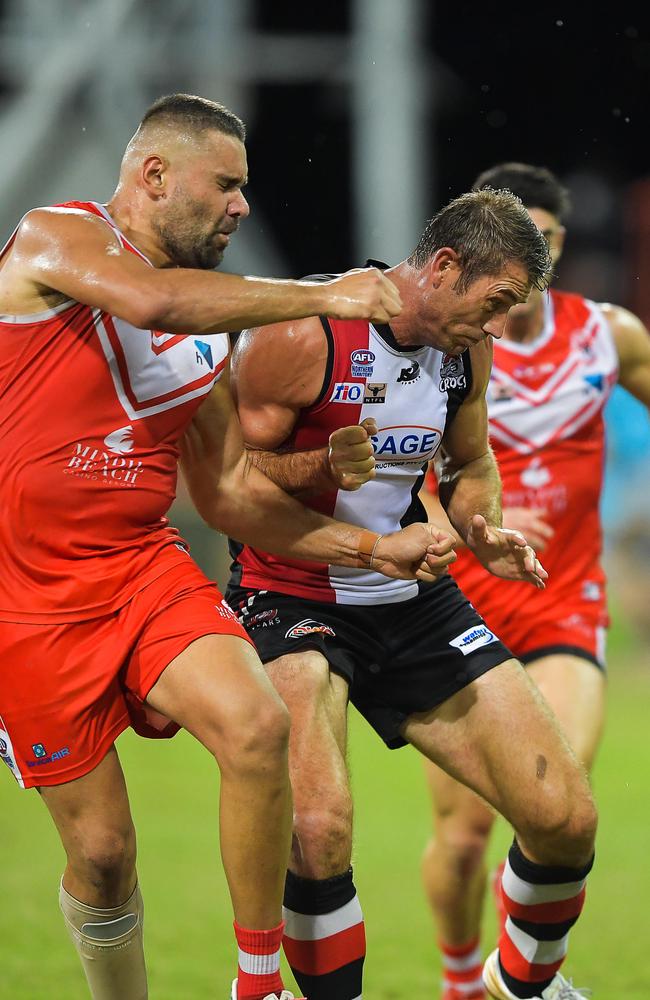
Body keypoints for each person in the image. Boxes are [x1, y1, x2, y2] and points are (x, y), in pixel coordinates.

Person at [0, 92, 451, 1000]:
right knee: (102, 857)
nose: (244, 206)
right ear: (154, 175)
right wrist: (329, 293)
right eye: (229, 185)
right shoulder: (55, 237)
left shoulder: (209, 345)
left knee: (257, 727)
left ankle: (259, 987)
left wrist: (366, 550)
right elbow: (152, 297)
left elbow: (230, 493)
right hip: (25, 594)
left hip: (139, 565)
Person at [227, 187, 598, 1000]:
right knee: (317, 832)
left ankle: (516, 989)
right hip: (291, 597)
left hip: (412, 598)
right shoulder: (305, 331)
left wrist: (481, 528)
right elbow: (230, 483)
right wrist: (321, 469)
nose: (500, 325)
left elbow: (471, 464)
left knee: (564, 817)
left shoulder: (467, 349)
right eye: (495, 301)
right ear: (443, 266)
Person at [420, 163, 650, 1000]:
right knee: (463, 837)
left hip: (565, 597)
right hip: (456, 604)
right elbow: (404, 475)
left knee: (558, 807)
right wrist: (467, 521)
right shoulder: (445, 345)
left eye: (544, 244)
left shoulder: (608, 336)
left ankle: (520, 976)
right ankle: (460, 981)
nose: (527, 266)